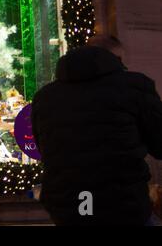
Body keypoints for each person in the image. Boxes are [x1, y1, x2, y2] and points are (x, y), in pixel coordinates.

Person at [31, 34, 162, 225]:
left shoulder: (45, 96)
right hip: (121, 203)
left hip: (68, 204)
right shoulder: (134, 86)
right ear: (114, 58)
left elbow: (44, 148)